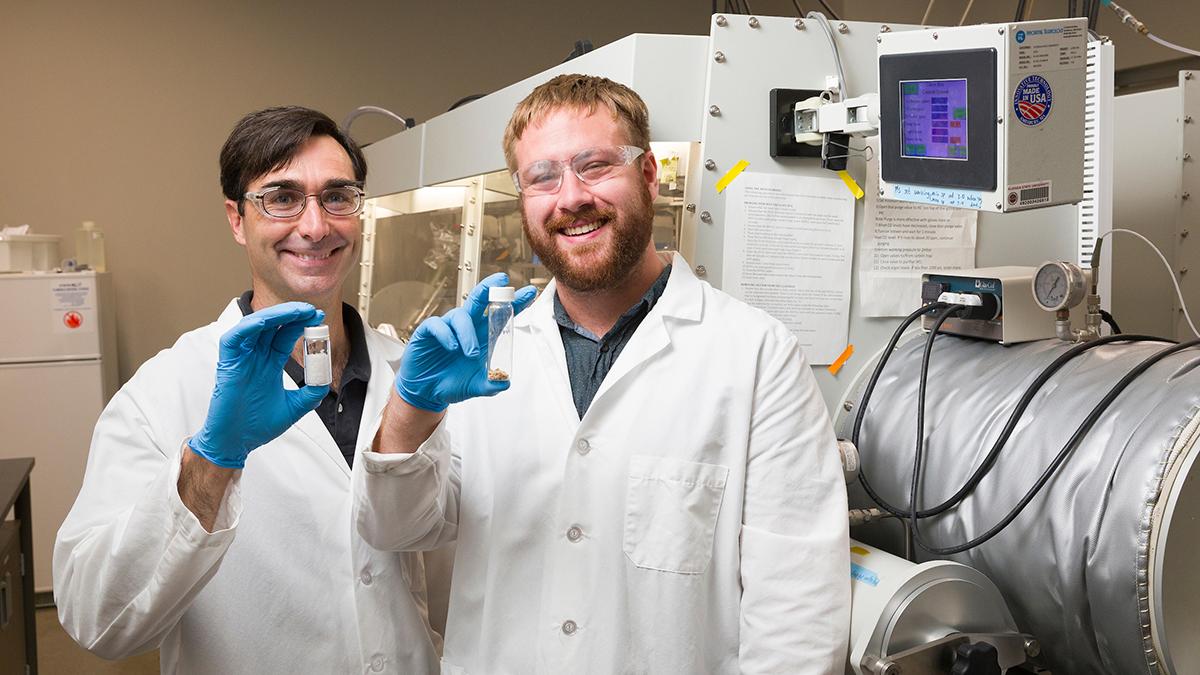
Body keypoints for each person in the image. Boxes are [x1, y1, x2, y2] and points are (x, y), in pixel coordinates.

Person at [354, 75, 851, 673]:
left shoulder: (755, 355)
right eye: (542, 176)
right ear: (523, 197)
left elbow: (798, 618)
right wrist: (411, 411)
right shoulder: (488, 353)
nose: (571, 197)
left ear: (648, 176)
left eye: (594, 165)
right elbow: (395, 530)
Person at [54, 106, 446, 673]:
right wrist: (211, 459)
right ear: (236, 219)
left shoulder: (409, 374)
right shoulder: (164, 391)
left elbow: (452, 569)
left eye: (338, 196)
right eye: (282, 198)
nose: (315, 226)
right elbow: (97, 620)